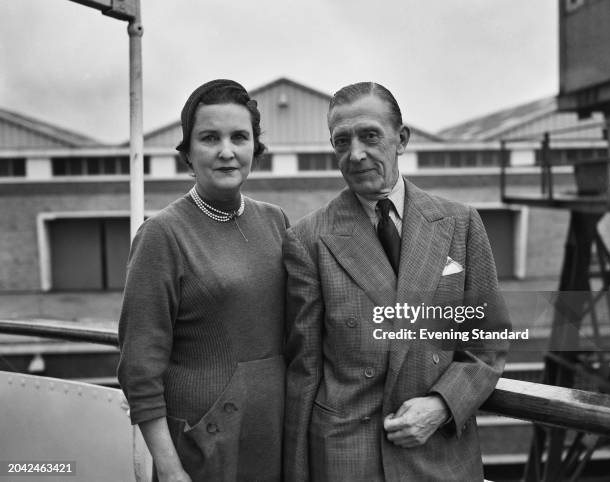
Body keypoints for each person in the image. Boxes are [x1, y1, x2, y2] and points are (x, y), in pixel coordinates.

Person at [283, 82, 511, 481]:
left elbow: (488, 344)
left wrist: (442, 405)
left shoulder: (461, 224)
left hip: (438, 455)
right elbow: (305, 371)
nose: (355, 154)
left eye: (370, 136)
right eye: (341, 142)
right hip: (348, 459)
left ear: (401, 139)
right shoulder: (307, 240)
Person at [118, 79, 287, 482]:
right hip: (205, 447)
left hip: (274, 435)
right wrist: (171, 469)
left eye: (239, 137)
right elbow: (139, 368)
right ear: (188, 154)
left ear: (255, 149)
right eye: (210, 138)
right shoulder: (162, 234)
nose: (227, 151)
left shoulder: (275, 220)